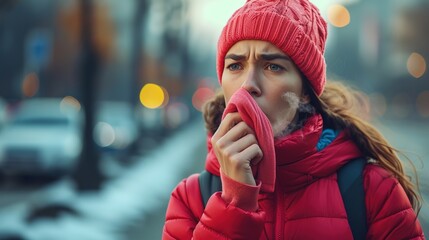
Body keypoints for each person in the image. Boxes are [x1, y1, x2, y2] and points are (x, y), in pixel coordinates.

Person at [162, 0, 425, 239]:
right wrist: (234, 204)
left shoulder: (372, 191)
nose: (248, 85)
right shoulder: (192, 198)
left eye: (273, 66)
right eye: (235, 65)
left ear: (306, 93)